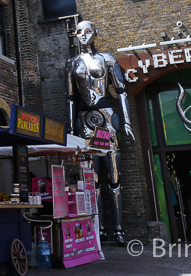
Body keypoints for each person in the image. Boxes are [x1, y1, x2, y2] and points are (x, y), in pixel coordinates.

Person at [66, 21, 135, 243]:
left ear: (95, 33)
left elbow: (121, 90)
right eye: (79, 32)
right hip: (84, 118)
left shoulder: (107, 58)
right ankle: (99, 227)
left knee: (114, 177)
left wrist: (126, 122)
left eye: (87, 31)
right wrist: (69, 127)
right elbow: (70, 98)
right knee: (92, 179)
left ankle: (119, 228)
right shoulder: (71, 63)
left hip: (106, 116)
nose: (83, 36)